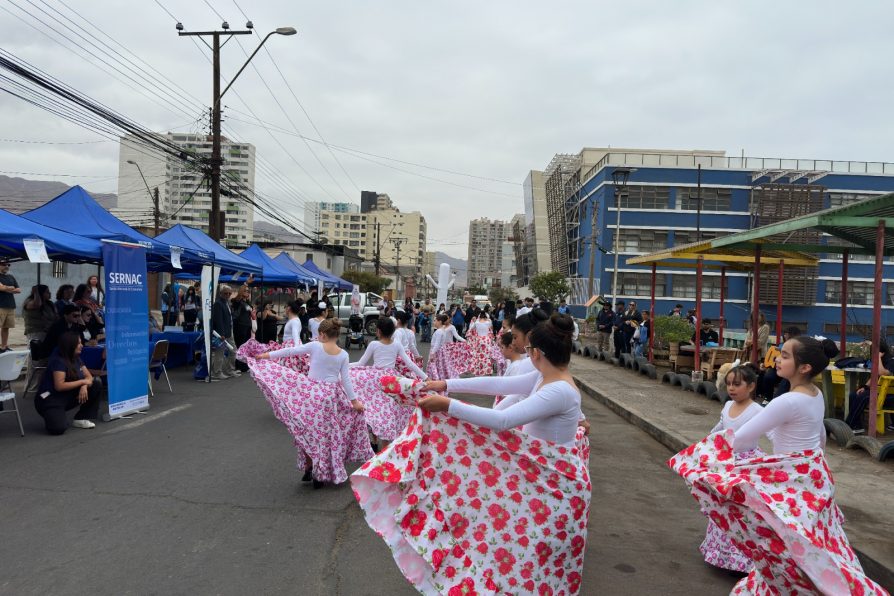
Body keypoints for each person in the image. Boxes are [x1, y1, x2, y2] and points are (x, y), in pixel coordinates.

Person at [353, 314, 591, 595]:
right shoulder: (546, 377)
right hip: (539, 479)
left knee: (534, 563)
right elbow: (499, 385)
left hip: (552, 488)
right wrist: (447, 385)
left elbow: (504, 421)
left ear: (536, 352)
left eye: (527, 349)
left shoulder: (559, 390)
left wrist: (449, 405)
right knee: (519, 556)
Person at [669, 336, 884, 594]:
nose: (777, 360)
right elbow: (821, 436)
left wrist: (699, 459)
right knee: (817, 548)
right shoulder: (814, 394)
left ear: (804, 367)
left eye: (784, 356)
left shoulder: (787, 401)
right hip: (813, 477)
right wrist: (812, 462)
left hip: (794, 481)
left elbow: (742, 437)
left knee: (794, 551)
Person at [252, 319, 371, 488]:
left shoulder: (315, 346)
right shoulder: (343, 354)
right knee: (325, 436)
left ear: (322, 334)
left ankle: (310, 467)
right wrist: (354, 402)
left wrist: (266, 355)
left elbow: (291, 351)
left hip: (311, 394)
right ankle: (320, 471)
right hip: (330, 397)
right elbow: (346, 381)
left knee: (307, 432)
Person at [699, 363, 764, 573]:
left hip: (747, 467)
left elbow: (773, 433)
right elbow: (720, 427)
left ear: (751, 386)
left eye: (737, 384)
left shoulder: (758, 410)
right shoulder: (727, 406)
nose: (732, 389)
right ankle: (719, 553)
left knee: (741, 512)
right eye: (729, 384)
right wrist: (706, 442)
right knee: (723, 508)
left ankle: (744, 559)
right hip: (726, 464)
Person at [349, 317, 427, 448]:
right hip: (391, 381)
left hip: (374, 379)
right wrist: (425, 377)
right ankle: (385, 448)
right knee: (388, 412)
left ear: (378, 331)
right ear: (393, 331)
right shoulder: (396, 344)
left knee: (372, 409)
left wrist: (344, 366)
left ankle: (374, 441)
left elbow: (361, 363)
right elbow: (410, 364)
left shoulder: (374, 344)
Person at [33, 332, 101, 434]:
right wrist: (82, 382)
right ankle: (52, 416)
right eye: (78, 343)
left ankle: (81, 418)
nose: (82, 345)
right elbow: (59, 386)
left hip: (66, 395)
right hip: (50, 399)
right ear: (70, 345)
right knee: (58, 429)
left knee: (96, 382)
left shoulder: (76, 358)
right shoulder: (58, 361)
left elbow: (89, 376)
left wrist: (84, 386)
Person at [845, 339, 894, 433]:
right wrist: (864, 387)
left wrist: (878, 358)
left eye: (874, 352)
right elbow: (874, 377)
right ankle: (857, 426)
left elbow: (881, 373)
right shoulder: (881, 361)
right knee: (854, 394)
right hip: (880, 393)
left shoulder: (891, 361)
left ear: (882, 352)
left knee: (863, 397)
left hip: (890, 397)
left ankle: (848, 425)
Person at [426, 313, 468, 380]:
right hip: (442, 348)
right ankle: (439, 377)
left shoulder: (442, 330)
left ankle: (437, 378)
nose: (434, 322)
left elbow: (437, 343)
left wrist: (432, 353)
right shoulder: (442, 329)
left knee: (441, 364)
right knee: (443, 364)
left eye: (435, 320)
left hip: (441, 349)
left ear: (439, 321)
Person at [211, 285, 238, 381]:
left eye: (229, 293)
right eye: (225, 293)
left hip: (228, 331)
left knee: (233, 350)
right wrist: (221, 334)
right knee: (220, 353)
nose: (228, 295)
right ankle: (217, 372)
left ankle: (230, 369)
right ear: (221, 293)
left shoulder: (227, 303)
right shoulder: (218, 303)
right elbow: (218, 320)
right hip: (221, 333)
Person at [230, 286, 254, 371]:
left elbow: (250, 314)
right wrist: (246, 284)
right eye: (246, 291)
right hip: (240, 326)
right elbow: (237, 298)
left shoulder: (247, 303)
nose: (247, 292)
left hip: (247, 326)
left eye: (248, 291)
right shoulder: (238, 301)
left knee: (245, 346)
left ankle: (244, 365)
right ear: (241, 292)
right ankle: (238, 366)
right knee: (240, 345)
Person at [0, 260, 21, 352]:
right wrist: (10, 288)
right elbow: (1, 288)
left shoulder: (11, 277)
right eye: (4, 264)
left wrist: (6, 288)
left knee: (6, 327)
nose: (7, 266)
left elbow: (19, 290)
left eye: (8, 264)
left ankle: (4, 346)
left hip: (10, 306)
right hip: (0, 305)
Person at [467, 310, 496, 376]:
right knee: (487, 356)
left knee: (479, 355)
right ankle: (488, 371)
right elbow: (491, 329)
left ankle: (478, 371)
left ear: (479, 316)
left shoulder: (477, 322)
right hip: (486, 339)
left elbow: (471, 329)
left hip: (479, 339)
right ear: (486, 316)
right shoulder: (488, 322)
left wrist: (474, 321)